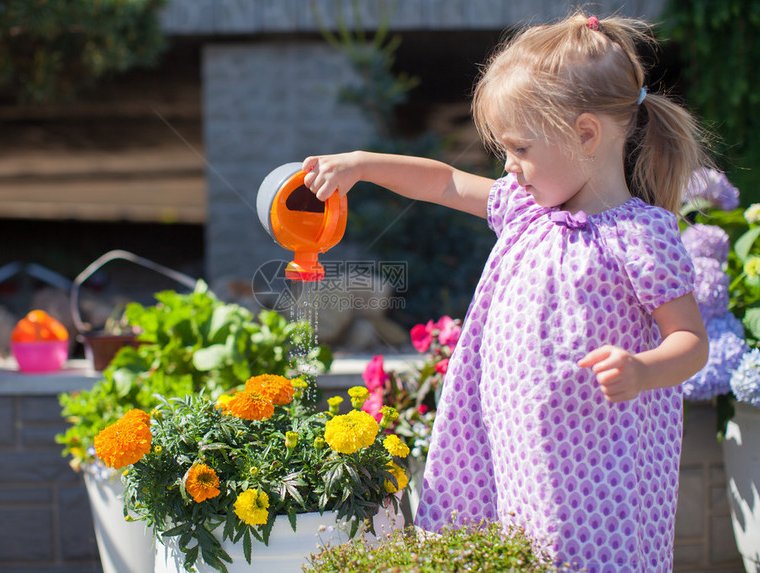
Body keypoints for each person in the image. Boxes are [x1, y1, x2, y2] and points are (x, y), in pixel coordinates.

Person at [302, 12, 709, 572]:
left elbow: (689, 340)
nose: (510, 168)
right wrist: (361, 166)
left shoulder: (639, 236)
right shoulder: (524, 211)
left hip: (596, 467)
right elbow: (442, 180)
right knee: (503, 553)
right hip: (510, 448)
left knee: (575, 558)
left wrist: (642, 369)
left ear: (586, 135)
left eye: (519, 149)